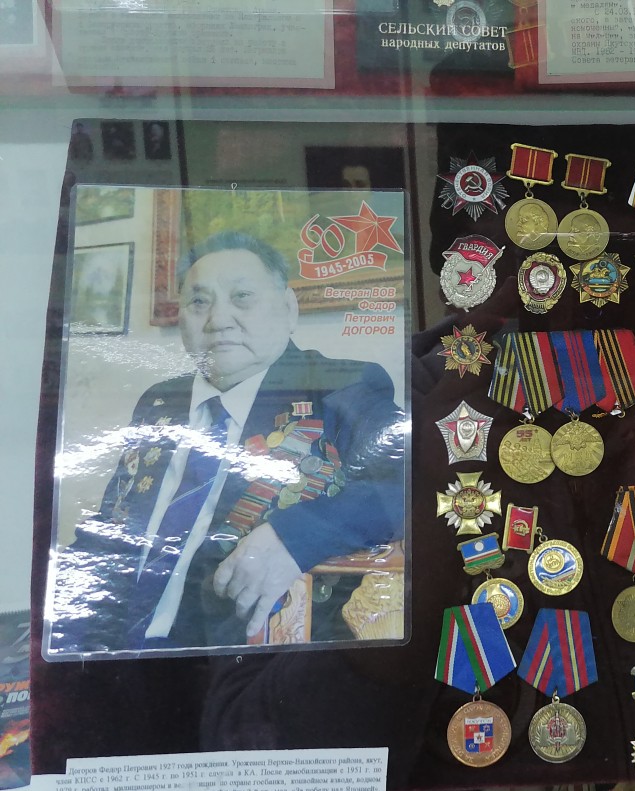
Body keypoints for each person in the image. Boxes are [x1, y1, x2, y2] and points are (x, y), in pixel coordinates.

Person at [52, 231, 405, 653]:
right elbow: (115, 525)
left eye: (242, 297)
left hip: (233, 659)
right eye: (199, 301)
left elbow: (408, 479)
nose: (218, 319)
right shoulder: (160, 401)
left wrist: (295, 536)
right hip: (112, 646)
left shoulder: (341, 386)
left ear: (288, 308)